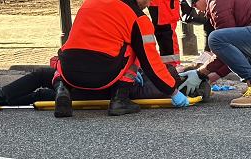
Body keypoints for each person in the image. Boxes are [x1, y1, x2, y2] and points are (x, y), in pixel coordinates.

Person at [50, 0, 192, 118]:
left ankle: (62, 90)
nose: (149, 4)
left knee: (68, 50)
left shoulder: (90, 3)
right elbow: (151, 62)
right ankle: (120, 99)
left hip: (68, 72)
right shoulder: (138, 18)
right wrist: (173, 92)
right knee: (136, 48)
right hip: (104, 75)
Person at [179, 0, 251, 108]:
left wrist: (200, 73)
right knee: (243, 37)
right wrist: (210, 74)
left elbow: (226, 49)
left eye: (193, 3)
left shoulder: (217, 3)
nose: (194, 8)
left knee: (215, 38)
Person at [0, 67, 210, 111]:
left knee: (42, 76)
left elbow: (145, 68)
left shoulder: (166, 79)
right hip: (104, 90)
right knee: (44, 93)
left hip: (104, 83)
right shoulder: (168, 83)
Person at [148, 0, 181, 67]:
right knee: (163, 34)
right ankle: (170, 65)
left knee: (166, 35)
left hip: (165, 7)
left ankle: (172, 66)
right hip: (159, 5)